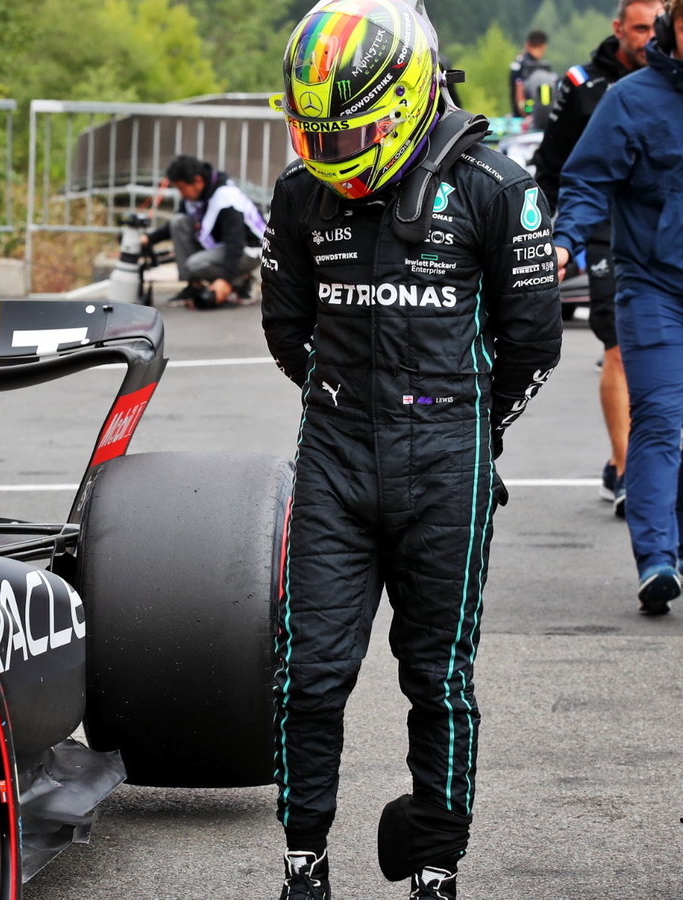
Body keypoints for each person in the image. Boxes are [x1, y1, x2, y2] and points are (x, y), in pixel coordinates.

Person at [262, 2, 562, 897]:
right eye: (317, 129)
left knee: (437, 678)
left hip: (447, 462)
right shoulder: (299, 194)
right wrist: (353, 403)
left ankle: (435, 862)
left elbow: (534, 345)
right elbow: (287, 332)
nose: (331, 146)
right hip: (336, 457)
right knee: (309, 675)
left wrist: (469, 426)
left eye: (348, 129)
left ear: (402, 99)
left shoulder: (497, 188)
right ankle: (304, 860)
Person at [553, 0, 683, 615]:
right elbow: (585, 181)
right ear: (669, 31)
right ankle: (657, 558)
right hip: (655, 285)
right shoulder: (631, 99)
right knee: (657, 418)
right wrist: (563, 242)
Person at [531, 0, 662, 515]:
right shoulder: (582, 82)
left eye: (657, 27)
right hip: (599, 220)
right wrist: (546, 232)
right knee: (618, 346)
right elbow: (551, 161)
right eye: (638, 28)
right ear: (618, 29)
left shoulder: (669, 80)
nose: (648, 37)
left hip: (657, 221)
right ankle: (628, 468)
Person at [141, 155, 266, 308]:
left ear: (197, 181)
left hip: (249, 250)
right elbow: (172, 227)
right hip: (223, 247)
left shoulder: (226, 197)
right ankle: (195, 286)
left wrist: (225, 280)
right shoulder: (196, 195)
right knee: (178, 221)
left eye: (181, 188)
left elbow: (235, 243)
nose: (181, 194)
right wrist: (149, 238)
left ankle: (242, 281)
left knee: (194, 264)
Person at [509, 29, 554, 118]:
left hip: (517, 114)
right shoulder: (529, 66)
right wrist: (529, 113)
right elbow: (520, 98)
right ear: (543, 47)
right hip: (525, 117)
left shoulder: (519, 61)